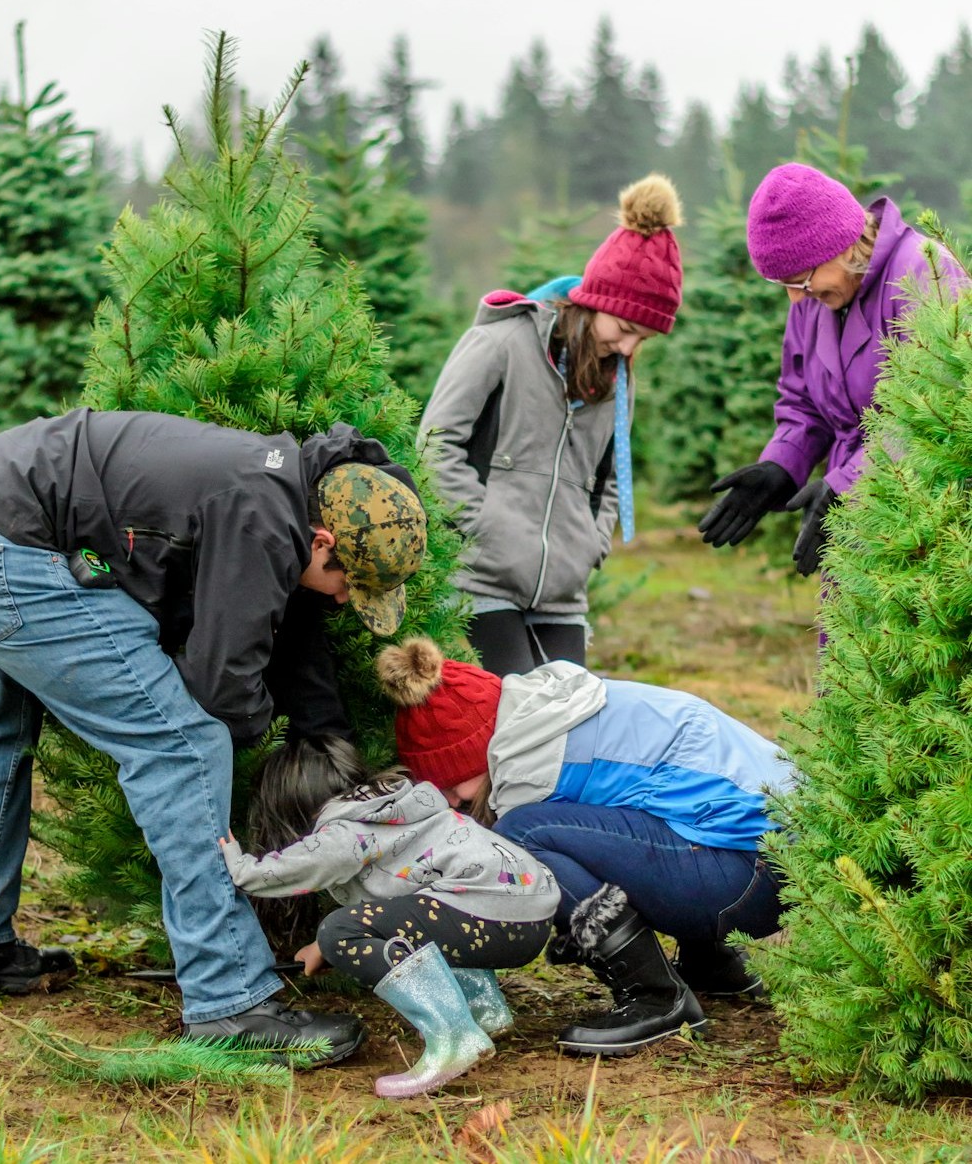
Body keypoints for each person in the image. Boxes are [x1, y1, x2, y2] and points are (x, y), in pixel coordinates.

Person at [0, 407, 427, 1064]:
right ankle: (229, 997)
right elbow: (221, 684)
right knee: (182, 746)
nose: (344, 599)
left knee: (2, 722)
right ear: (321, 542)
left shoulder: (275, 482)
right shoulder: (264, 517)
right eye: (348, 582)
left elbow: (259, 619)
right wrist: (260, 750)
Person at [376, 637, 791, 1057]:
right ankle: (711, 965)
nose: (449, 799)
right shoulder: (555, 709)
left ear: (470, 755)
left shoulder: (530, 767)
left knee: (518, 835)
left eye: (446, 783)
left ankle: (657, 998)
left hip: (747, 880)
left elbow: (514, 874)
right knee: (649, 811)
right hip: (778, 861)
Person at [419, 174, 683, 677]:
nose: (629, 349)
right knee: (513, 721)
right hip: (481, 580)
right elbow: (436, 443)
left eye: (643, 339)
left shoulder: (617, 381)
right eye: (625, 329)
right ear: (594, 302)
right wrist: (479, 528)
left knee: (568, 726)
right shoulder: (502, 342)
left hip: (562, 592)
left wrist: (589, 544)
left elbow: (607, 482)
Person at [220, 734, 558, 1097]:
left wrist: (239, 866)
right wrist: (320, 945)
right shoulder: (395, 806)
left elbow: (293, 868)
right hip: (530, 913)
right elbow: (405, 907)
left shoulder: (343, 830)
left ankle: (454, 1038)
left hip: (489, 914)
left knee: (339, 931)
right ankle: (481, 1010)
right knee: (425, 913)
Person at [699, 162, 968, 574]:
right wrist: (782, 465)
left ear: (841, 245)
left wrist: (848, 485)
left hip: (930, 518)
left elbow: (936, 405)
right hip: (852, 520)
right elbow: (803, 401)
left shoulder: (923, 272)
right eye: (783, 284)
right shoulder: (814, 300)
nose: (794, 298)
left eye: (800, 280)